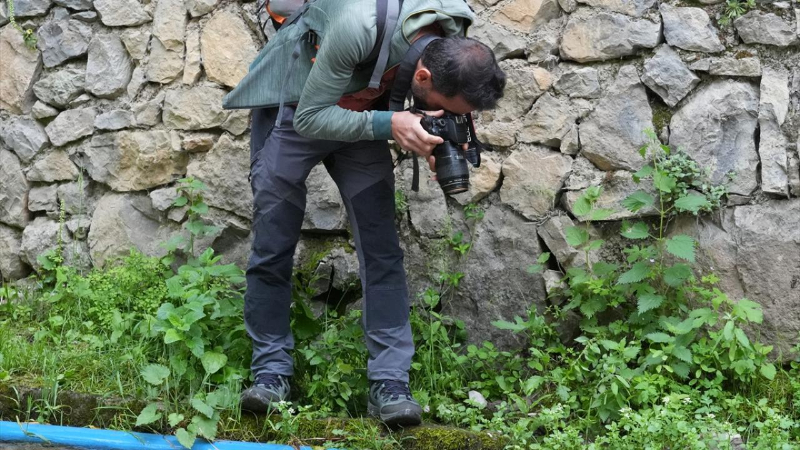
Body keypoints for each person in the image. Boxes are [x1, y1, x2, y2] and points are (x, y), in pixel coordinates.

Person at [223, 0, 505, 427]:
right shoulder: (358, 26)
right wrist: (392, 124)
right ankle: (271, 372)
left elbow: (442, 98)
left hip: (365, 114)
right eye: (445, 105)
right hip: (300, 108)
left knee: (381, 250)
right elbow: (313, 118)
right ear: (423, 76)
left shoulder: (452, 27)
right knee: (273, 243)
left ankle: (390, 384)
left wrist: (444, 136)